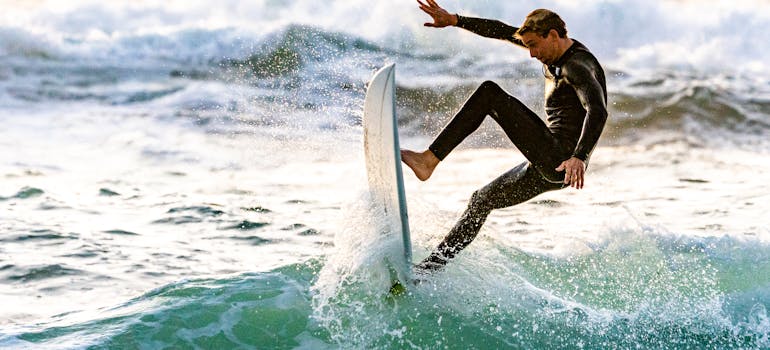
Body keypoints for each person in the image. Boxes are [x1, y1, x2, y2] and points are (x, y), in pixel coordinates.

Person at [402, 0, 608, 272]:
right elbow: (500, 30)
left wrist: (579, 157)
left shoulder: (577, 66)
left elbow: (598, 109)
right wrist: (454, 20)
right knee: (481, 200)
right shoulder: (551, 50)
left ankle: (428, 160)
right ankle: (427, 271)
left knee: (489, 94)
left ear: (554, 36)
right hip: (549, 166)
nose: (531, 54)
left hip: (560, 159)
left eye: (534, 45)